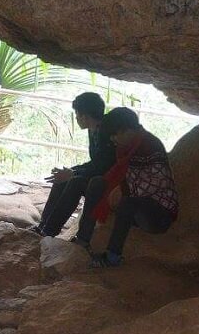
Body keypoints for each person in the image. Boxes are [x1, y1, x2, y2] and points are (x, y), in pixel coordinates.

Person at [72, 107, 179, 267]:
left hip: (158, 213)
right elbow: (118, 174)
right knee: (97, 183)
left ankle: (112, 256)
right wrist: (119, 187)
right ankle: (83, 239)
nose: (113, 140)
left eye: (116, 135)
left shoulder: (150, 145)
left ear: (128, 130)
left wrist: (124, 189)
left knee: (128, 202)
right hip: (135, 203)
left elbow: (158, 182)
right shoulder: (125, 147)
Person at [33, 92, 113, 236]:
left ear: (85, 116)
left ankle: (50, 230)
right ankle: (44, 225)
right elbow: (96, 162)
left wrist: (74, 173)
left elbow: (104, 166)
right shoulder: (94, 129)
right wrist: (71, 171)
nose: (76, 118)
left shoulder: (107, 131)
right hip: (99, 173)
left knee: (74, 182)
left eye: (77, 115)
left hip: (107, 180)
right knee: (63, 178)